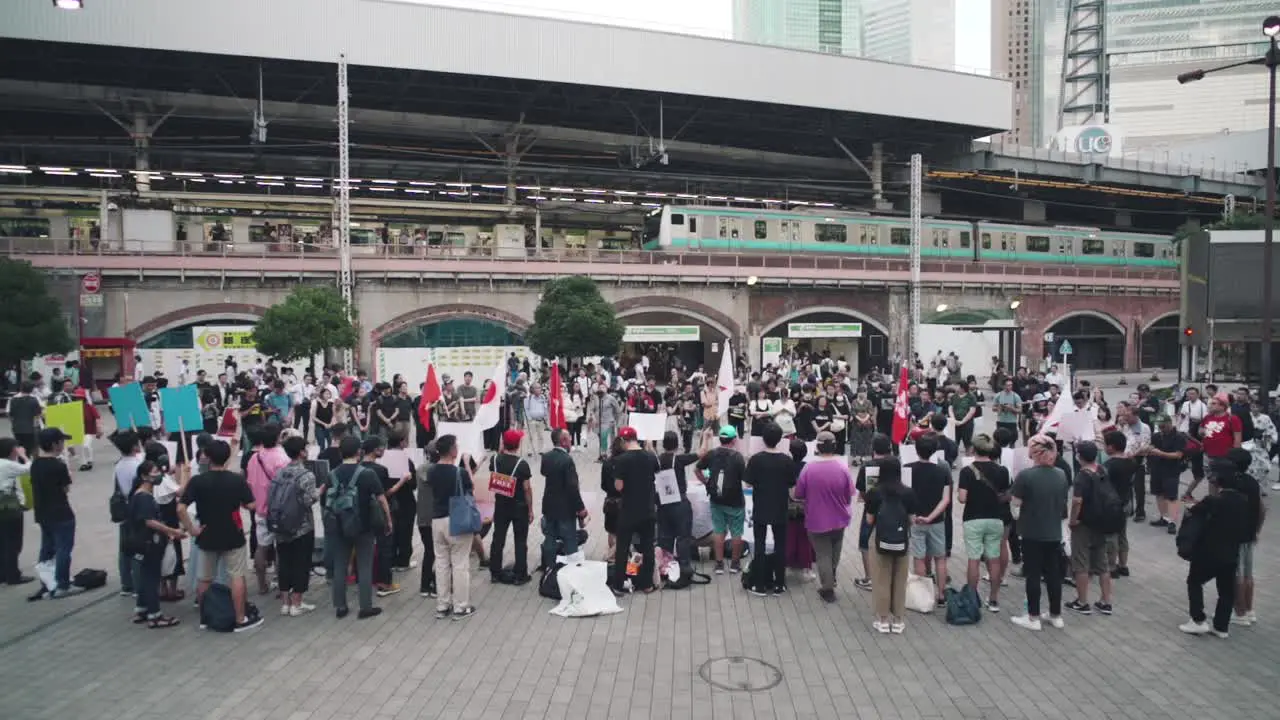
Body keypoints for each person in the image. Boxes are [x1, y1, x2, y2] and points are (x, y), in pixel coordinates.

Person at [177, 439, 264, 631]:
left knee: (204, 578)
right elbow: (251, 505)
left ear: (207, 458)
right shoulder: (236, 480)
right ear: (227, 459)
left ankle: (205, 618)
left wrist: (192, 529)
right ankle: (240, 618)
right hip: (232, 533)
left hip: (206, 533)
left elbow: (181, 508)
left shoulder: (198, 481)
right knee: (237, 576)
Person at [1180, 459, 1253, 638]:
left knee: (1194, 581)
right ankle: (1221, 626)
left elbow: (1194, 511)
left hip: (1208, 551)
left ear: (1218, 479)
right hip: (1231, 552)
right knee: (1226, 590)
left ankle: (1198, 620)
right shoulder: (1244, 501)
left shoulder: (1213, 500)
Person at [1009, 434, 1070, 632]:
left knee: (1033, 574)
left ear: (1035, 453)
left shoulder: (1025, 476)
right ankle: (1055, 615)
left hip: (1031, 532)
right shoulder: (1061, 474)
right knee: (1053, 574)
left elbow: (1015, 506)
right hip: (1053, 532)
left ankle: (1033, 616)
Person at [321, 435, 387, 620]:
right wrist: (388, 520)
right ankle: (365, 607)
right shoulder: (367, 473)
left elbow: (324, 494)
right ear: (359, 452)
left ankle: (340, 606)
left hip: (339, 524)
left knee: (340, 565)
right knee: (364, 565)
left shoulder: (332, 473)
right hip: (363, 525)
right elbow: (381, 499)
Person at [794, 430, 854, 603]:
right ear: (834, 446)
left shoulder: (809, 468)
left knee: (823, 554)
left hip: (816, 518)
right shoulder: (843, 467)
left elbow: (799, 493)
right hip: (840, 518)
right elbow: (849, 494)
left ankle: (827, 588)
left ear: (817, 448)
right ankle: (831, 576)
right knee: (835, 549)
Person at [127, 460, 184, 628]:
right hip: (149, 543)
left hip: (143, 543)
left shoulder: (139, 495)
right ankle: (155, 615)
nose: (158, 474)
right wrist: (172, 531)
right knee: (152, 579)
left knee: (145, 577)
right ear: (144, 476)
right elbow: (149, 522)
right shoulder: (144, 498)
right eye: (154, 472)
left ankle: (142, 609)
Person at [1065, 441, 1120, 616]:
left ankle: (1082, 602)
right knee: (1102, 563)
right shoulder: (1102, 470)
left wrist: (1073, 520)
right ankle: (1106, 601)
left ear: (1079, 456)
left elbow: (1077, 501)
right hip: (1102, 522)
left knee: (1081, 563)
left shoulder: (1082, 476)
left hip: (1085, 523)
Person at [957, 433, 1009, 612]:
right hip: (995, 518)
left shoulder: (967, 471)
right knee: (993, 559)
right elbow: (1005, 495)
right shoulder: (1002, 470)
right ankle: (993, 599)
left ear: (973, 449)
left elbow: (962, 498)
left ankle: (972, 597)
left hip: (973, 518)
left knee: (973, 559)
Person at [427, 434, 477, 619]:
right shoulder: (459, 472)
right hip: (457, 518)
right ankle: (461, 606)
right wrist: (466, 463)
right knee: (460, 563)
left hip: (437, 519)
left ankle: (442, 605)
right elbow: (470, 487)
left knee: (441, 563)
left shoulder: (431, 471)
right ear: (453, 450)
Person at [863, 458, 915, 632]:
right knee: (900, 579)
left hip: (880, 538)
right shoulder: (908, 492)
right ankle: (899, 620)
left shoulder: (875, 492)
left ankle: (883, 619)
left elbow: (869, 520)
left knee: (881, 579)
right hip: (902, 540)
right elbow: (912, 520)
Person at [743, 423, 795, 596]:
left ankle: (759, 585)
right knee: (780, 545)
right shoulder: (787, 460)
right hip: (780, 507)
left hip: (761, 506)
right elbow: (792, 489)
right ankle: (780, 584)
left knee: (759, 544)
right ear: (780, 440)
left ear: (763, 439)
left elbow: (747, 483)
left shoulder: (756, 459)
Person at [273, 435, 320, 617]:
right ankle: (297, 603)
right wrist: (319, 492)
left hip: (281, 525)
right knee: (301, 563)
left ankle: (285, 603)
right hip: (301, 526)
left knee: (284, 562)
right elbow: (308, 501)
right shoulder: (306, 474)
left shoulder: (280, 472)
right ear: (301, 452)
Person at [610, 426, 659, 594]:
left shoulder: (621, 460)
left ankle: (618, 583)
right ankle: (647, 584)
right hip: (647, 509)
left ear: (623, 441)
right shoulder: (650, 457)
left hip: (629, 510)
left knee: (622, 547)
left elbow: (619, 486)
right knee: (648, 546)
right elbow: (657, 473)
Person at [904, 433, 950, 607]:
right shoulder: (942, 471)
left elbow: (905, 496)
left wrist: (913, 516)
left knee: (919, 557)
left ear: (916, 450)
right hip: (937, 520)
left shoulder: (907, 469)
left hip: (915, 520)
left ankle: (924, 596)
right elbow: (946, 499)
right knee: (940, 557)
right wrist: (931, 517)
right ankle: (941, 595)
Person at [30, 428, 76, 598]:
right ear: (55, 444)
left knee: (46, 550)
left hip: (42, 513)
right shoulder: (58, 465)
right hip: (61, 512)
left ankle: (46, 582)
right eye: (61, 441)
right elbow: (66, 488)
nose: (63, 444)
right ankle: (62, 584)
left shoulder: (35, 464)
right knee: (63, 549)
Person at [697, 424, 748, 574]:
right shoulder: (738, 457)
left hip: (716, 499)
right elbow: (745, 479)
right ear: (733, 440)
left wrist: (705, 482)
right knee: (736, 533)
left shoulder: (712, 454)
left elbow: (696, 469)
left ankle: (719, 564)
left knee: (719, 531)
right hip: (735, 501)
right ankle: (735, 564)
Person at [489, 429, 534, 585]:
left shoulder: (494, 460)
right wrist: (530, 509)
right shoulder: (522, 465)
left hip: (501, 505)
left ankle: (495, 572)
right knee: (520, 540)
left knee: (498, 538)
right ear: (518, 445)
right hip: (519, 507)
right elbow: (527, 488)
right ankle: (521, 574)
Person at [540, 428, 587, 570]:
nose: (571, 440)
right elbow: (572, 488)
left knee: (550, 538)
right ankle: (571, 568)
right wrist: (580, 508)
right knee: (569, 539)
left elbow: (543, 472)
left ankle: (549, 566)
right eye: (569, 438)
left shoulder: (546, 457)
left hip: (549, 505)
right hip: (565, 508)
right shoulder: (567, 460)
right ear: (563, 441)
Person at [1101, 432, 1138, 578]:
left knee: (1111, 536)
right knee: (1123, 534)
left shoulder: (1108, 466)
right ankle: (1123, 565)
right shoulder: (1131, 462)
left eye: (1105, 444)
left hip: (1112, 506)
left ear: (1111, 447)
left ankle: (1111, 566)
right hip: (1127, 501)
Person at [1146, 415, 1186, 535]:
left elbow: (1178, 455)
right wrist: (1149, 449)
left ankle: (1172, 522)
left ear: (1169, 423)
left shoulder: (1178, 437)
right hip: (1157, 469)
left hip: (1171, 470)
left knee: (1171, 496)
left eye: (1163, 425)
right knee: (1159, 493)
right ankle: (1164, 517)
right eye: (1159, 426)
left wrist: (1160, 453)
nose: (1161, 428)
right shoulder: (1156, 436)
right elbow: (1152, 447)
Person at [0, 438, 32, 585]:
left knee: (3, 541)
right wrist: (24, 456)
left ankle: (3, 574)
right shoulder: (7, 465)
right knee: (13, 542)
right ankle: (13, 575)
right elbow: (29, 468)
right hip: (9, 508)